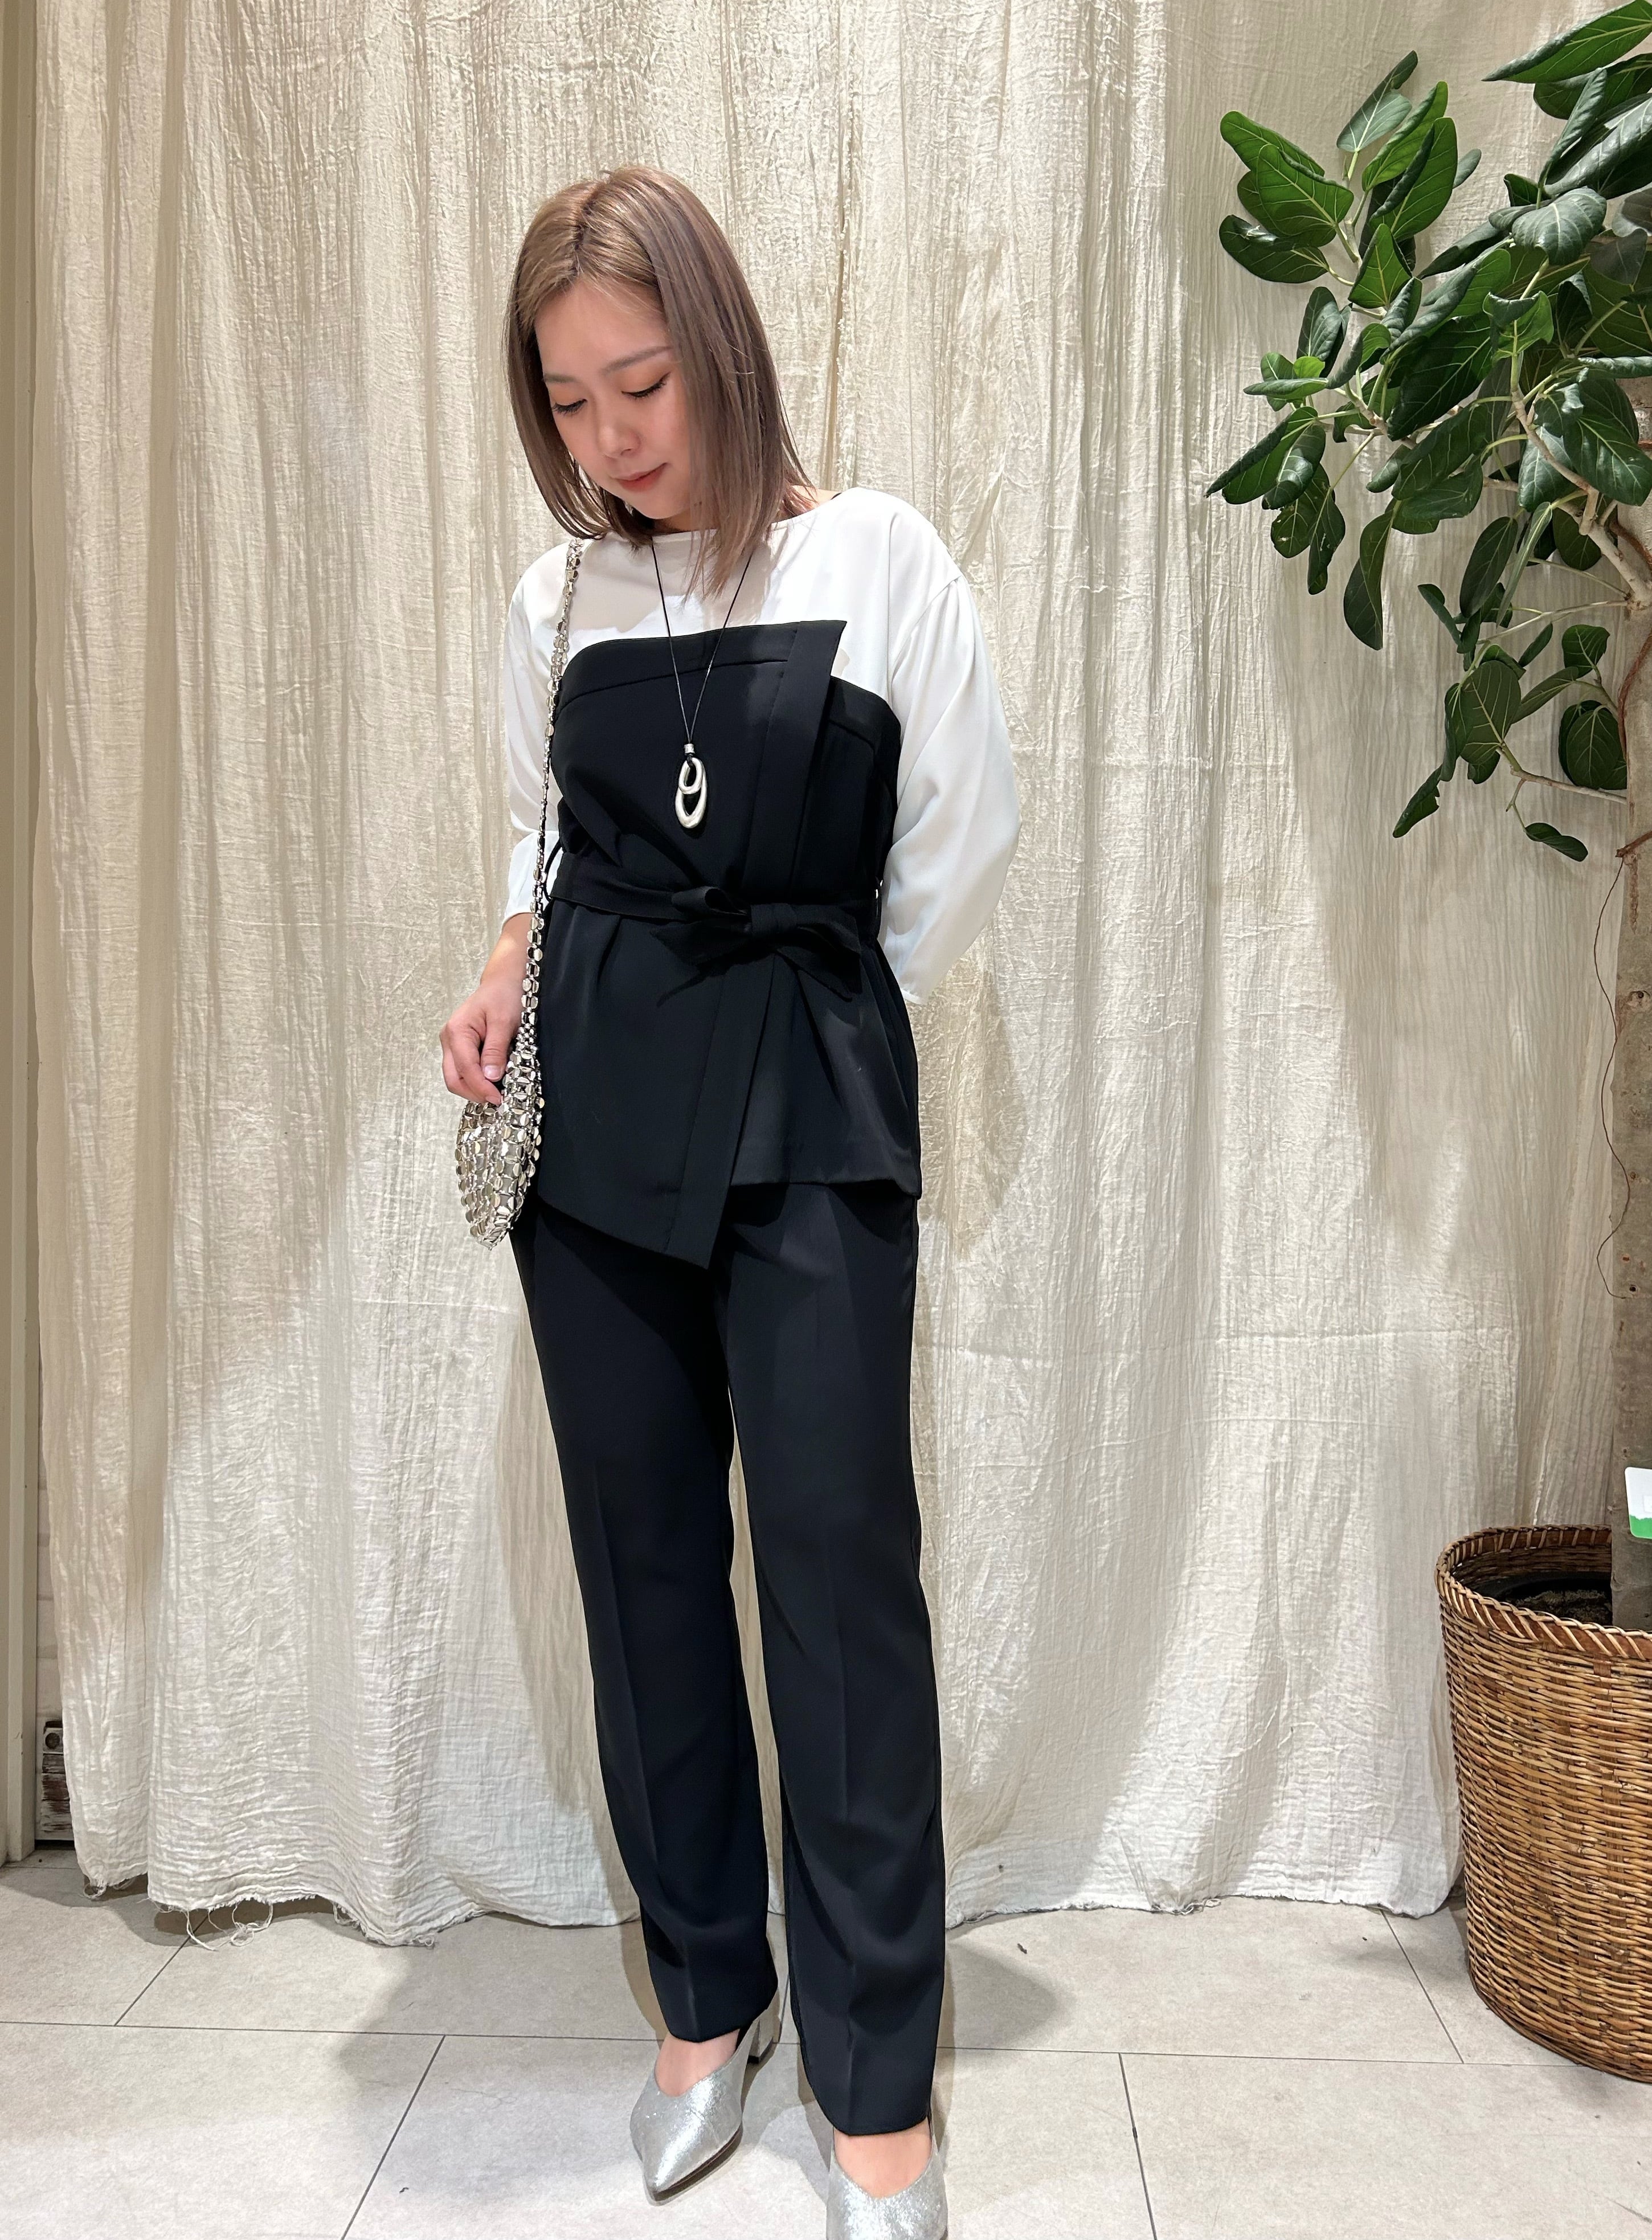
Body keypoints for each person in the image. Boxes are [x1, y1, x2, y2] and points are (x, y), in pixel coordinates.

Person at [441, 163, 1019, 2240]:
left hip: (806, 1088)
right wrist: (507, 953)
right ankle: (707, 2003)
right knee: (644, 1567)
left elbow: (953, 838)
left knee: (841, 1581)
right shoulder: (555, 599)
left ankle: (875, 2091)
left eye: (645, 381)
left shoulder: (876, 555)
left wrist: (812, 997)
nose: (612, 434)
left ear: (724, 343)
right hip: (595, 1114)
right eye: (568, 400)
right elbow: (545, 832)